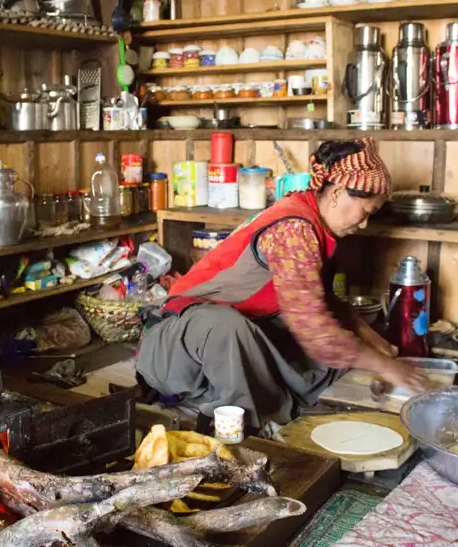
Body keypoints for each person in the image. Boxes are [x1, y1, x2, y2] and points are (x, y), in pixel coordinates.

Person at [136, 138, 430, 431]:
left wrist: (375, 343)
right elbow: (315, 330)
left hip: (224, 338)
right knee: (229, 327)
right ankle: (237, 426)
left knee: (327, 355)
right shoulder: (292, 228)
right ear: (337, 193)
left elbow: (323, 303)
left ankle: (251, 399)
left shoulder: (312, 219)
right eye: (366, 212)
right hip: (175, 347)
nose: (364, 224)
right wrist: (386, 366)